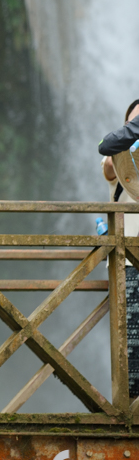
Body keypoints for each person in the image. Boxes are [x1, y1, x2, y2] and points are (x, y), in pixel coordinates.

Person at [98, 99, 139, 401]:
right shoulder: (118, 156)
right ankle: (133, 408)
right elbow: (107, 156)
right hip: (128, 259)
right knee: (131, 338)